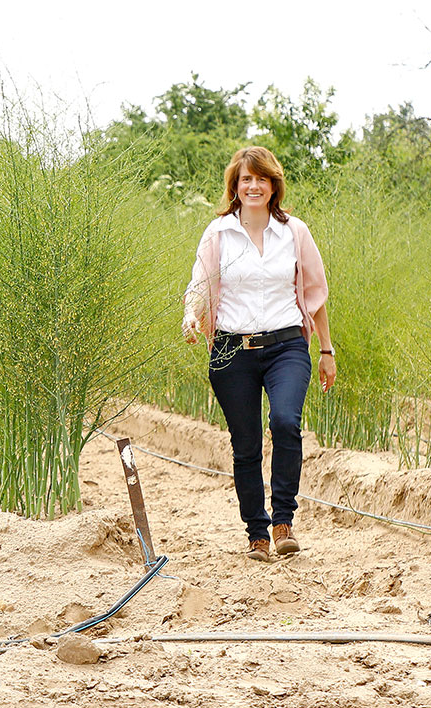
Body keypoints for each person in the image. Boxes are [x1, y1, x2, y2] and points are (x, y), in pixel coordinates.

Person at [181, 146, 336, 563]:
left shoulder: (295, 232)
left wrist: (325, 349)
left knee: (285, 422)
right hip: (232, 351)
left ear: (273, 186)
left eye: (261, 179)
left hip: (286, 344)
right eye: (246, 179)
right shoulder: (218, 233)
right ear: (235, 185)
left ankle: (283, 521)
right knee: (245, 443)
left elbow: (315, 295)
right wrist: (191, 317)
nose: (253, 186)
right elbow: (199, 283)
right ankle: (257, 532)